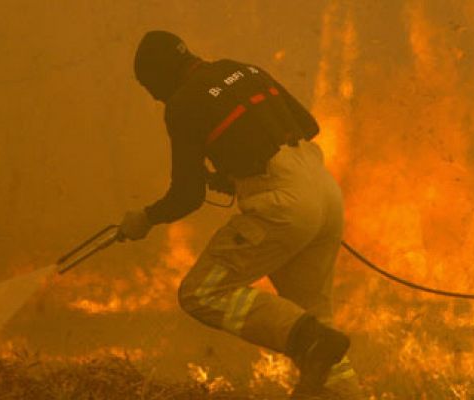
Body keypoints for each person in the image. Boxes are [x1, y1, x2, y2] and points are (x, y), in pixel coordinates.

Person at [117, 31, 362, 399]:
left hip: (282, 206)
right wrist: (237, 171)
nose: (153, 95)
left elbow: (186, 195)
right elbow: (308, 125)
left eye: (150, 85)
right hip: (325, 193)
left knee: (201, 293)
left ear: (162, 73)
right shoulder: (242, 69)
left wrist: (145, 218)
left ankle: (308, 339)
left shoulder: (182, 104)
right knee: (313, 317)